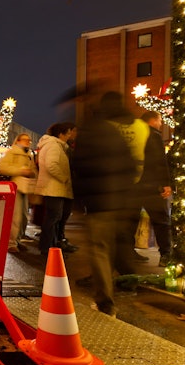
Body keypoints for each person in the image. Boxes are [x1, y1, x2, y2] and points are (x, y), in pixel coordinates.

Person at [72, 92, 140, 317]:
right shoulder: (119, 132)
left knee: (100, 249)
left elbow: (81, 167)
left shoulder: (90, 132)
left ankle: (106, 302)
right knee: (116, 245)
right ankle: (129, 283)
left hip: (99, 201)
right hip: (121, 200)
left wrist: (80, 199)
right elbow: (131, 165)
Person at [34, 122, 76, 257]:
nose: (70, 135)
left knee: (54, 218)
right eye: (68, 132)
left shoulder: (56, 145)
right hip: (53, 188)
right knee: (53, 218)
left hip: (54, 188)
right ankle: (47, 248)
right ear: (61, 134)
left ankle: (51, 247)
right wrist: (65, 178)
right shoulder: (54, 146)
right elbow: (51, 165)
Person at [138, 111, 174, 267]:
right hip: (152, 185)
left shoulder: (133, 135)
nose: (160, 123)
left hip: (133, 185)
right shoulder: (154, 135)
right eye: (159, 120)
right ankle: (165, 254)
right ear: (152, 121)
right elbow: (160, 161)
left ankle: (127, 253)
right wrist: (166, 183)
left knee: (130, 221)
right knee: (161, 220)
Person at [0, 133, 38, 252]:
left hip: (25, 187)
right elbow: (3, 167)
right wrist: (20, 171)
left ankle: (17, 240)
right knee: (16, 216)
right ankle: (11, 243)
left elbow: (33, 171)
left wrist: (31, 173)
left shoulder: (29, 154)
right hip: (15, 186)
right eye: (25, 140)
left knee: (24, 216)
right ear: (18, 140)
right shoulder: (12, 152)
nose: (27, 142)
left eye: (29, 140)